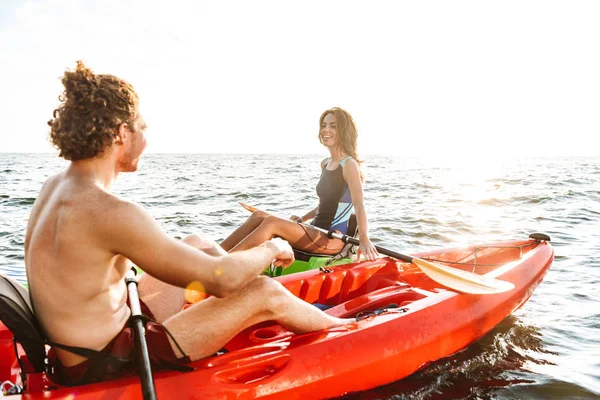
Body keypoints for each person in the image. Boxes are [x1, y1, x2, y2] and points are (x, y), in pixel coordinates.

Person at [24, 61, 353, 386]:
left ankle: (231, 313)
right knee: (263, 290)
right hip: (110, 360)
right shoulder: (110, 212)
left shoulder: (56, 186)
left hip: (86, 345)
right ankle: (348, 335)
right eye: (143, 128)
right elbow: (221, 281)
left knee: (197, 242)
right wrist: (273, 246)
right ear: (122, 133)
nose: (147, 139)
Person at [220, 107, 379, 261]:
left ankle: (222, 266)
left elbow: (359, 204)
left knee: (271, 222)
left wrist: (364, 239)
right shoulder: (325, 163)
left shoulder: (349, 164)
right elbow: (327, 204)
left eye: (333, 126)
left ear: (344, 131)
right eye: (323, 125)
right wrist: (303, 218)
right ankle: (214, 256)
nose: (325, 129)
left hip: (331, 238)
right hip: (315, 230)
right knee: (258, 216)